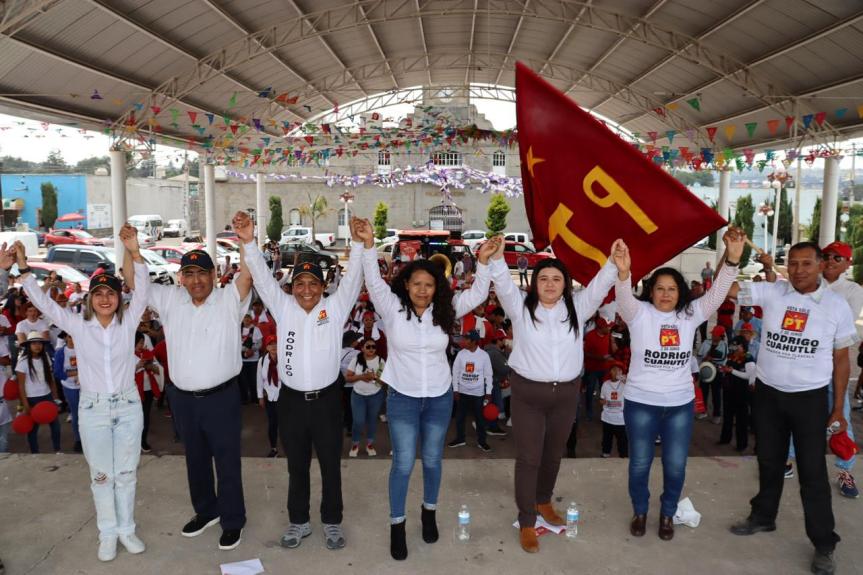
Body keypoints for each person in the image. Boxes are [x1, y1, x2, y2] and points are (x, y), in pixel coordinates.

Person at [354, 218, 498, 561]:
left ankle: (428, 512)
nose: (422, 290)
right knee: (403, 463)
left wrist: (485, 260)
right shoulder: (391, 309)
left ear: (437, 288)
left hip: (438, 398)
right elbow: (373, 281)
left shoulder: (445, 312)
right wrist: (369, 243)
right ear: (406, 285)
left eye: (428, 285)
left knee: (432, 460)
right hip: (401, 397)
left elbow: (478, 293)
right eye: (416, 284)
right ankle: (397, 524)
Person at [487, 236, 630, 553]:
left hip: (566, 395)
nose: (550, 284)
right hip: (528, 395)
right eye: (543, 279)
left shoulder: (577, 308)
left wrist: (612, 260)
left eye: (556, 279)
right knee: (529, 458)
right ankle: (527, 520)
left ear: (565, 284)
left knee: (553, 454)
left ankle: (543, 501)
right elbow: (503, 284)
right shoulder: (520, 309)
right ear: (534, 283)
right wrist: (497, 259)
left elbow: (596, 288)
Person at [16, 225, 150, 561]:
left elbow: (144, 290)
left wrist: (134, 252)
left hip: (128, 405)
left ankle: (127, 530)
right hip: (93, 410)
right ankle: (107, 533)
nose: (105, 298)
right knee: (102, 475)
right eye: (99, 293)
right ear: (90, 298)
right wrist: (21, 269)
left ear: (119, 298)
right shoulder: (77, 325)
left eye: (112, 293)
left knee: (126, 473)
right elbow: (43, 304)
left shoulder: (129, 322)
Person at [234, 211, 365, 552]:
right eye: (300, 284)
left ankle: (332, 522)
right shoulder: (283, 307)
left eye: (314, 284)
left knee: (331, 467)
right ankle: (299, 522)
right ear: (292, 287)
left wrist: (361, 244)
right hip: (291, 401)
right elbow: (262, 277)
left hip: (325, 402)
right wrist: (248, 241)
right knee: (297, 467)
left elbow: (353, 280)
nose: (306, 290)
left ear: (323, 287)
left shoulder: (334, 309)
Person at [728, 242, 857, 575]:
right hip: (769, 395)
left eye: (807, 264)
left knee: (812, 473)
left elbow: (841, 359)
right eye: (793, 264)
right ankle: (762, 517)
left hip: (810, 399)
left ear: (821, 265)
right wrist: (732, 256)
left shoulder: (836, 305)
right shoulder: (773, 292)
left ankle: (824, 544)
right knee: (768, 461)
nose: (799, 270)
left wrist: (838, 408)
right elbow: (726, 290)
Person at [615, 228, 743, 541]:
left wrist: (734, 259)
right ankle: (641, 510)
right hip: (640, 403)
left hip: (679, 406)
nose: (666, 294)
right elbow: (622, 296)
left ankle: (668, 513)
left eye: (672, 288)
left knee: (675, 466)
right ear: (651, 291)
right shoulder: (638, 313)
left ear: (680, 292)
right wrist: (623, 272)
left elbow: (715, 295)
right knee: (639, 465)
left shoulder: (690, 314)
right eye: (660, 288)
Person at [140, 241, 252, 552]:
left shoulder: (229, 299)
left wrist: (246, 243)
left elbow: (247, 275)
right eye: (189, 274)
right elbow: (135, 281)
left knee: (227, 462)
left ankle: (232, 521)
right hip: (183, 399)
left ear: (214, 274)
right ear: (181, 277)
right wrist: (133, 252)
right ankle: (207, 511)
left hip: (222, 398)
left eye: (202, 273)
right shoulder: (171, 300)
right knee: (196, 460)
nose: (196, 280)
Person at [449, 329, 494, 451]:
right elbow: (455, 372)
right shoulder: (461, 354)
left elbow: (488, 375)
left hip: (478, 393)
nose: (464, 341)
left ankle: (482, 441)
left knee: (480, 419)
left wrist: (488, 393)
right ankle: (460, 439)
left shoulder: (484, 356)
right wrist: (456, 389)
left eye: (467, 339)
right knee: (459, 418)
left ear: (474, 342)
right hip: (462, 393)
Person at [16, 331, 60, 453]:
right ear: (28, 346)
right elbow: (20, 385)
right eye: (34, 343)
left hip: (47, 396)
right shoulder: (23, 361)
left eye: (39, 343)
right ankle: (35, 452)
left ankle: (58, 449)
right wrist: (25, 405)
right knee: (33, 428)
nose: (37, 346)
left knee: (55, 425)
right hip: (32, 398)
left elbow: (50, 380)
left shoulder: (46, 357)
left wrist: (55, 397)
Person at [345, 338, 386, 457]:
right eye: (368, 347)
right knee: (358, 421)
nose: (371, 349)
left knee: (372, 421)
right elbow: (348, 377)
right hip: (358, 395)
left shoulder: (380, 361)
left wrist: (373, 378)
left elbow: (382, 382)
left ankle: (369, 444)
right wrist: (362, 376)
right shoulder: (356, 359)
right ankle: (355, 444)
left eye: (374, 347)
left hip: (376, 396)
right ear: (362, 348)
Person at [718, 336, 754, 452]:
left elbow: (749, 375)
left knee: (741, 420)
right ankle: (725, 438)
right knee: (727, 417)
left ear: (742, 346)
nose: (734, 347)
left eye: (736, 345)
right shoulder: (731, 355)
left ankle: (741, 444)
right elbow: (727, 366)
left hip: (741, 393)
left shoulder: (748, 358)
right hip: (729, 390)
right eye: (733, 345)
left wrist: (732, 371)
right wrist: (723, 369)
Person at [53, 331, 82, 452]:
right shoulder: (61, 353)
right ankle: (78, 440)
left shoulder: (83, 350)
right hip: (69, 387)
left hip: (85, 386)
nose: (72, 339)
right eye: (70, 336)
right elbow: (58, 372)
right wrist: (76, 373)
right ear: (65, 338)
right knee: (76, 414)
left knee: (87, 413)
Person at [133, 332, 161, 453]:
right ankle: (134, 442)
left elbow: (157, 368)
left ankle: (143, 441)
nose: (142, 345)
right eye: (140, 342)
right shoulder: (127, 355)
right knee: (134, 418)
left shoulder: (147, 353)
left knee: (145, 416)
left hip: (148, 390)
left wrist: (150, 366)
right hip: (135, 391)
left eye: (143, 342)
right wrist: (137, 366)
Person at [697, 325, 728, 423]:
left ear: (721, 336)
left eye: (715, 334)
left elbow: (724, 360)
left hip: (717, 372)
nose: (713, 335)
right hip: (705, 369)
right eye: (713, 334)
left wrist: (712, 359)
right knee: (702, 392)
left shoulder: (724, 345)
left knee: (716, 394)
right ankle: (702, 411)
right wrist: (699, 366)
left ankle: (717, 415)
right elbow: (699, 356)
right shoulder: (706, 342)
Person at [257, 335, 281, 458]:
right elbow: (259, 380)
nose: (274, 347)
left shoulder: (284, 359)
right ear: (266, 347)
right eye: (271, 344)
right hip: (270, 397)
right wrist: (260, 396)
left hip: (283, 397)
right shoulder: (262, 361)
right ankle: (274, 448)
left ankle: (290, 447)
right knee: (272, 423)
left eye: (276, 344)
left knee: (286, 423)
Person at [600, 361, 627, 458]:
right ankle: (605, 454)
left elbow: (635, 389)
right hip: (607, 417)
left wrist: (627, 381)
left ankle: (624, 457)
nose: (617, 372)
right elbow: (601, 399)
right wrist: (604, 402)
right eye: (614, 370)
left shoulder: (625, 384)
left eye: (619, 370)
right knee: (607, 438)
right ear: (610, 371)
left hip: (621, 419)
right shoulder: (606, 384)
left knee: (622, 440)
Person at [238, 313, 263, 404]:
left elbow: (260, 343)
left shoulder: (256, 329)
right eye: (245, 318)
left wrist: (252, 350)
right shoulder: (238, 329)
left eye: (248, 318)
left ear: (251, 320)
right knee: (242, 380)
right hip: (241, 359)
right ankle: (244, 398)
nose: (246, 320)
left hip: (253, 359)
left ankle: (255, 398)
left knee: (253, 379)